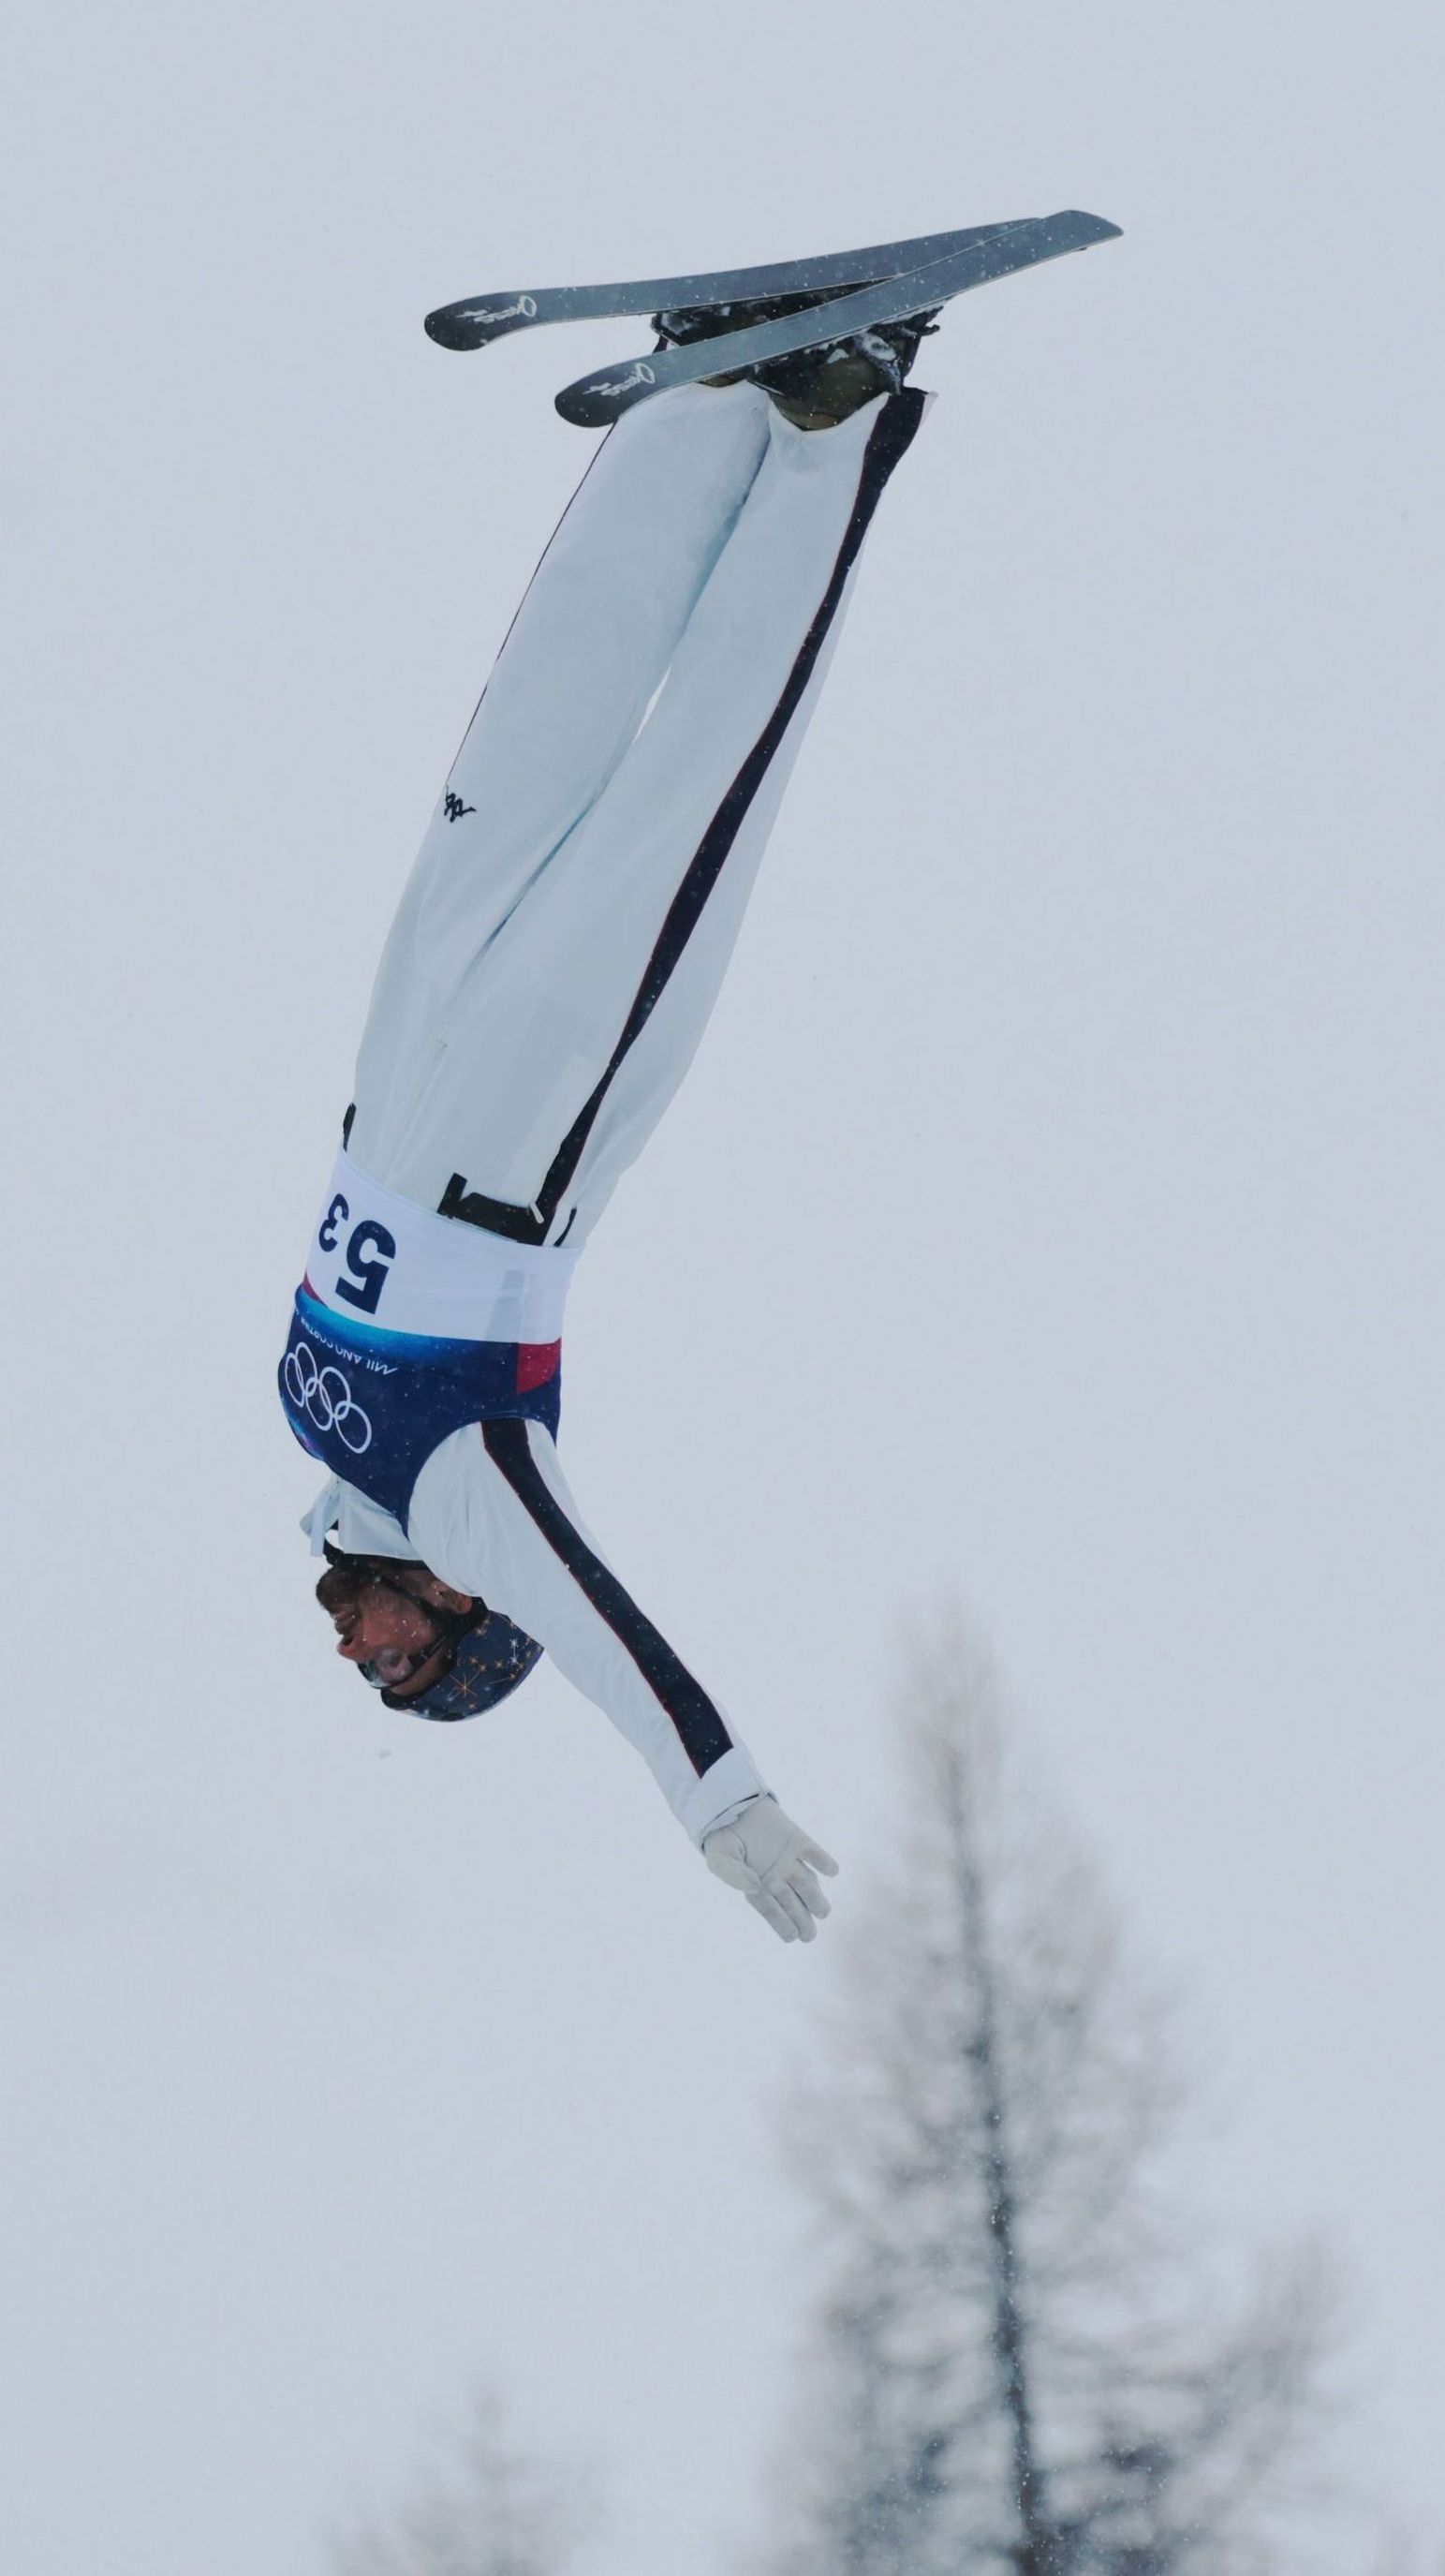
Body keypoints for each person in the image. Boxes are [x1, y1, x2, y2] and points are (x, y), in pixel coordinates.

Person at [279, 307, 935, 1943]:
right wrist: (721, 1797)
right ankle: (829, 428)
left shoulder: (329, 1462)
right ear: (463, 1607)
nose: (361, 1652)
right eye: (402, 1668)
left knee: (535, 726)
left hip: (403, 1065)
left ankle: (697, 408)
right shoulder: (474, 1504)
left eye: (374, 1673)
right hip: (533, 1125)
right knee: (701, 778)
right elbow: (611, 1641)